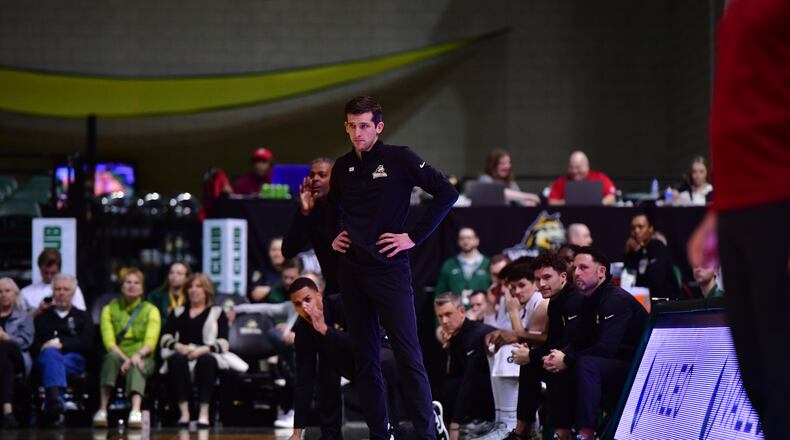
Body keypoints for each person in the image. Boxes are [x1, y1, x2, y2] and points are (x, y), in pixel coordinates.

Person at [687, 3, 790, 437]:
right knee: (758, 377)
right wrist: (718, 208)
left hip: (778, 198)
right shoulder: (737, 8)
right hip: (739, 205)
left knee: (783, 375)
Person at [329, 95, 458, 439]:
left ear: (379, 127)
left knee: (408, 356)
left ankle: (428, 435)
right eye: (352, 126)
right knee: (366, 360)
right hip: (352, 272)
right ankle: (379, 434)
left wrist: (413, 237)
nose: (357, 133)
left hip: (390, 271)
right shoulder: (342, 167)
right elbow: (333, 208)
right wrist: (336, 234)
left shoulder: (399, 158)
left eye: (364, 126)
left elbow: (447, 193)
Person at [543, 247, 648, 440]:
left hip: (636, 366)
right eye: (575, 268)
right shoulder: (587, 300)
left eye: (583, 267)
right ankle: (562, 433)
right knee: (556, 363)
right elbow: (579, 341)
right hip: (610, 362)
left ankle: (586, 434)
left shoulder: (615, 299)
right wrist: (559, 356)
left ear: (601, 272)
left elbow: (607, 348)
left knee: (585, 363)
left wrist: (567, 359)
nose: (576, 273)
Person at [508, 253, 584, 440]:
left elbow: (572, 342)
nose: (541, 284)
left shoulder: (574, 299)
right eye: (538, 279)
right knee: (531, 365)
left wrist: (531, 355)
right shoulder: (554, 301)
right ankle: (521, 432)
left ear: (563, 277)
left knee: (555, 367)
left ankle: (562, 434)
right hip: (566, 353)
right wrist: (531, 355)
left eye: (547, 277)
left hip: (582, 356)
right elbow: (553, 342)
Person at [160, 273, 242, 428]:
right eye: (190, 287)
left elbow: (224, 342)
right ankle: (184, 413)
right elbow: (165, 338)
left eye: (198, 286)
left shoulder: (217, 312)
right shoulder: (177, 312)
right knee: (177, 360)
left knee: (206, 361)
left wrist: (203, 350)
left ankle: (204, 414)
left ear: (206, 290)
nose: (193, 290)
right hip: (182, 353)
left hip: (207, 354)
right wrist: (179, 347)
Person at [479, 261, 548, 439]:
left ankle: (513, 422)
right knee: (494, 347)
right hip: (535, 358)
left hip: (547, 358)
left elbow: (525, 342)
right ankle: (502, 420)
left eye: (522, 285)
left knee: (511, 350)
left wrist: (513, 313)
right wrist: (498, 333)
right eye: (513, 287)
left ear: (535, 284)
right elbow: (510, 333)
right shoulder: (519, 301)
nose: (517, 291)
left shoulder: (540, 302)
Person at [94, 268, 161, 429]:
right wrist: (126, 360)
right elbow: (109, 342)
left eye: (136, 283)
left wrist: (135, 357)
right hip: (118, 354)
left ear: (142, 288)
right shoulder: (109, 309)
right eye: (128, 282)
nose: (132, 286)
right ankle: (102, 409)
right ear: (121, 286)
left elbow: (151, 342)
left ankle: (135, 410)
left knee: (137, 364)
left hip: (143, 356)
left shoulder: (151, 310)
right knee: (110, 358)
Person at [33, 274, 93, 426]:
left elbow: (87, 343)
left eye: (66, 289)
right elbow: (34, 344)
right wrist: (47, 347)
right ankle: (56, 402)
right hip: (45, 359)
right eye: (58, 289)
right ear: (52, 292)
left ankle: (53, 402)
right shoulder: (42, 317)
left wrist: (62, 344)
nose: (61, 293)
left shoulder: (82, 317)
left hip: (73, 360)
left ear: (73, 293)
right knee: (50, 355)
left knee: (52, 359)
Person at [434, 293, 495, 440]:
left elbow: (470, 380)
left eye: (448, 314)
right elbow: (452, 377)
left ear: (462, 311)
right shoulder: (455, 335)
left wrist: (455, 424)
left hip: (491, 406)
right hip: (474, 400)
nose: (444, 321)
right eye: (440, 316)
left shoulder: (475, 335)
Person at [283, 157, 339, 295]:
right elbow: (288, 251)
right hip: (333, 286)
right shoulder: (310, 208)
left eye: (322, 175)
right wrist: (304, 213)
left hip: (359, 284)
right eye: (312, 175)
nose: (315, 179)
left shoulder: (347, 205)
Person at [623, 213, 683, 300]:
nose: (636, 231)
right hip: (643, 300)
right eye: (633, 228)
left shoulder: (658, 246)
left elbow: (656, 281)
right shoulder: (634, 251)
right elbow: (628, 278)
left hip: (667, 301)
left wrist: (637, 288)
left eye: (640, 227)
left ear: (650, 228)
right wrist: (627, 253)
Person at [0, 278, 34, 429]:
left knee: (3, 346)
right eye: (0, 292)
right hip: (5, 362)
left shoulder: (25, 316)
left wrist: (6, 337)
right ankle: (7, 411)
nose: (3, 294)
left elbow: (26, 342)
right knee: (6, 365)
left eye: (7, 291)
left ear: (15, 294)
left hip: (18, 355)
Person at [21, 248, 86, 317]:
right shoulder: (26, 292)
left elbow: (82, 315)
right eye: (45, 272)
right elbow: (20, 320)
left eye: (53, 273)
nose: (49, 276)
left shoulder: (71, 289)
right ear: (40, 269)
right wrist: (39, 311)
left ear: (59, 270)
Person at [435, 228, 491, 297]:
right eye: (462, 238)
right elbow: (440, 294)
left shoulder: (488, 263)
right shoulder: (448, 265)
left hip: (482, 304)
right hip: (456, 304)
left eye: (469, 238)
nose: (466, 241)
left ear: (477, 240)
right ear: (458, 241)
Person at [547, 151, 617, 206]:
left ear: (587, 166)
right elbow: (551, 201)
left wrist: (595, 204)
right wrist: (570, 202)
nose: (574, 171)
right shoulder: (562, 181)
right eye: (571, 167)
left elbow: (611, 198)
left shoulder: (600, 177)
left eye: (578, 167)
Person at [147, 262, 191, 326]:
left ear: (187, 278)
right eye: (171, 272)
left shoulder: (190, 297)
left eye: (179, 273)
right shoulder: (155, 296)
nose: (174, 276)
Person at [249, 237, 287, 302]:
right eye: (273, 250)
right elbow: (256, 295)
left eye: (280, 250)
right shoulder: (262, 271)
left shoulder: (294, 269)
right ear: (269, 252)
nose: (277, 254)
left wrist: (270, 289)